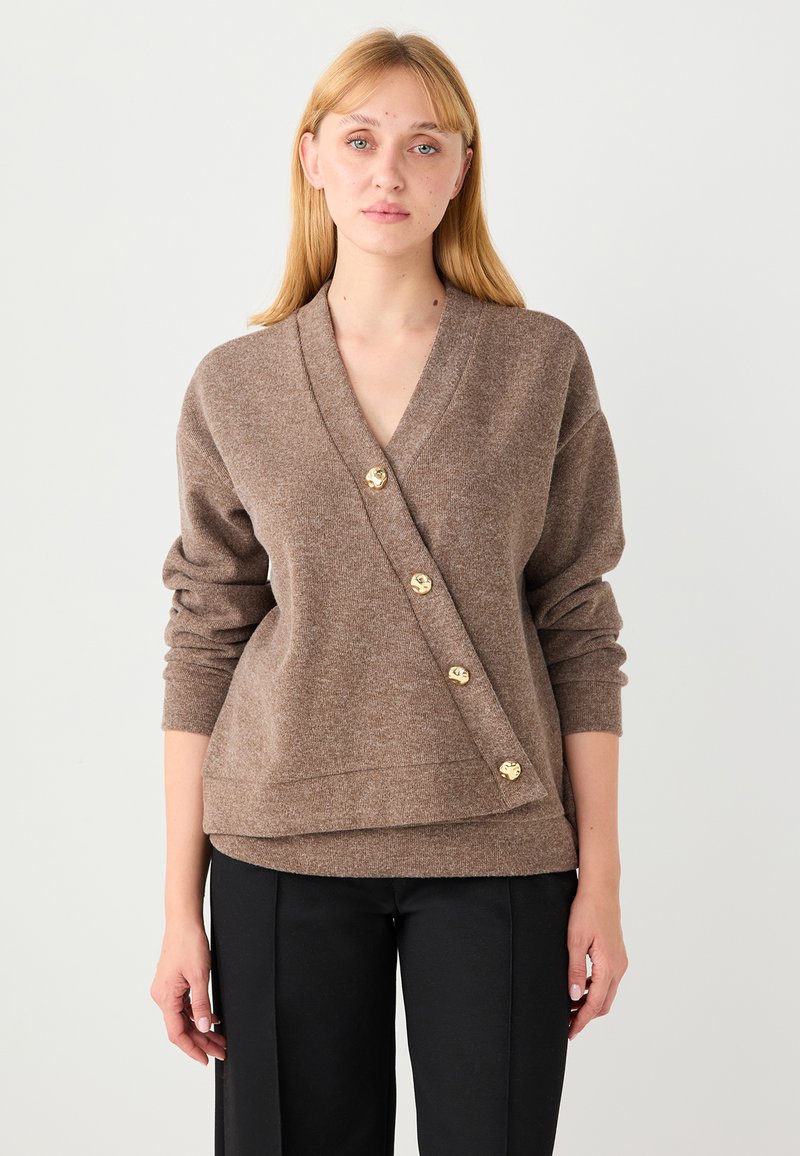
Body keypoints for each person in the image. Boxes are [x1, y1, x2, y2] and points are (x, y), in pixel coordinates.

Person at [150, 27, 630, 1156]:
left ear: (460, 169)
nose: (388, 172)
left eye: (424, 144)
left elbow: (577, 619)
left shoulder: (538, 364)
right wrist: (178, 907)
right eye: (360, 140)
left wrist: (600, 879)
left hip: (500, 849)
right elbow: (205, 629)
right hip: (279, 846)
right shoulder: (236, 384)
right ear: (311, 156)